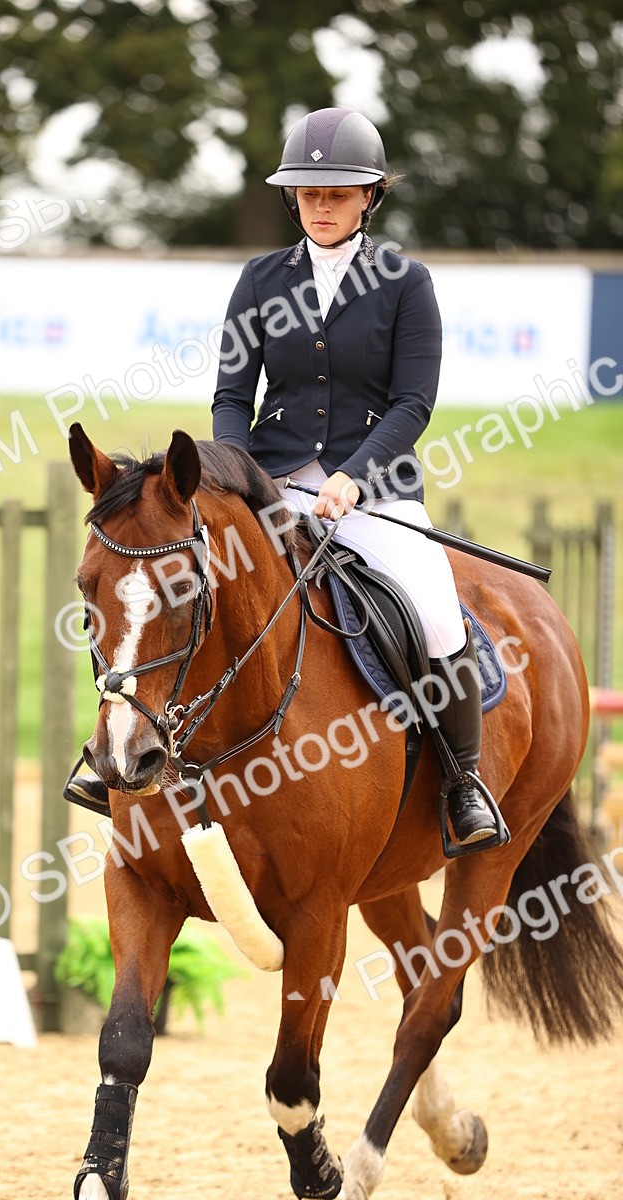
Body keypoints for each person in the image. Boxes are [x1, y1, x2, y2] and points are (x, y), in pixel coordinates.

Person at [212, 107, 502, 848]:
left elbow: (413, 403)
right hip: (273, 483)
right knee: (184, 587)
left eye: (337, 194)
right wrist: (235, 481)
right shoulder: (260, 279)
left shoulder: (405, 282)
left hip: (374, 491)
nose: (322, 206)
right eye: (309, 194)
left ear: (369, 196)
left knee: (435, 608)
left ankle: (463, 782)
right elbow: (232, 397)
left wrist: (355, 476)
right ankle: (132, 748)